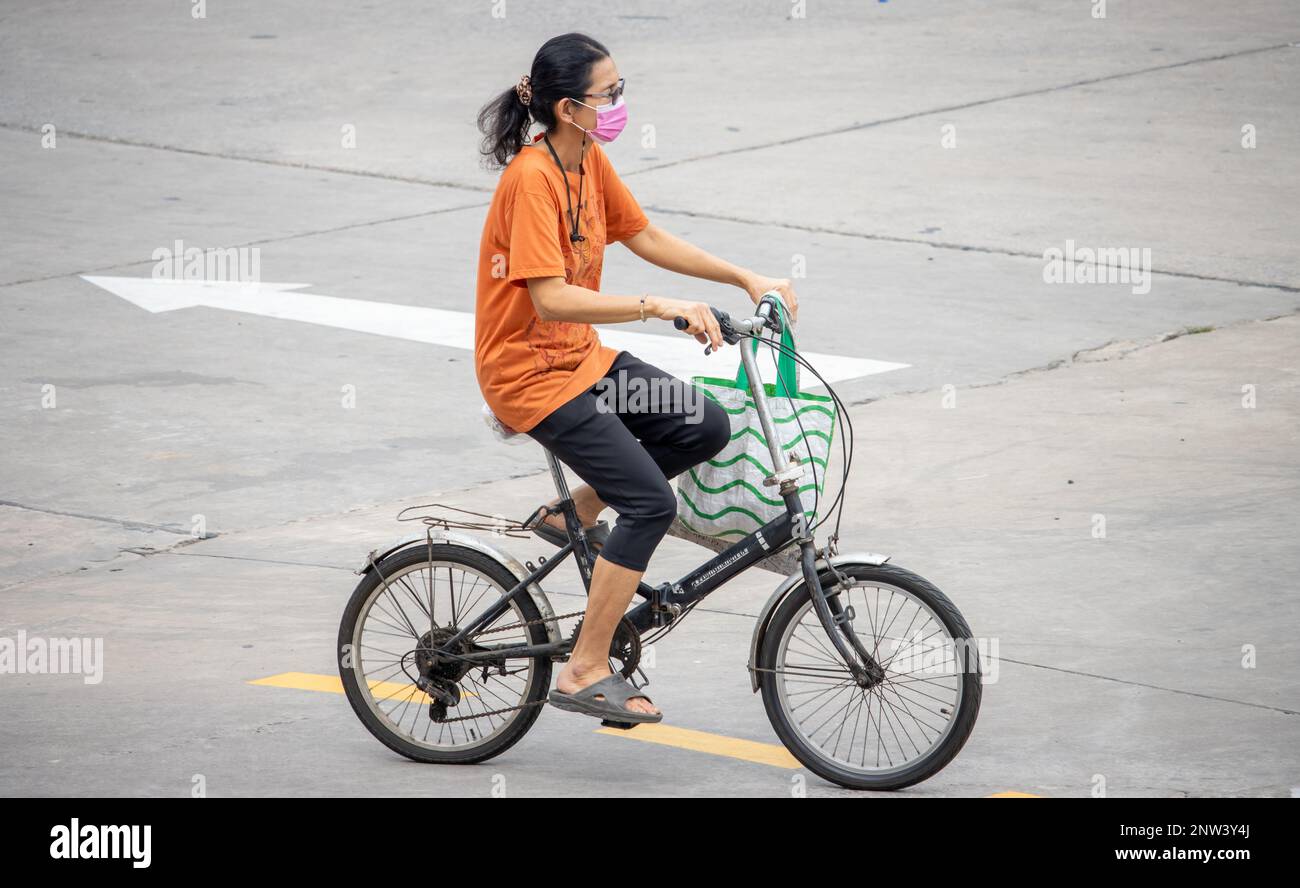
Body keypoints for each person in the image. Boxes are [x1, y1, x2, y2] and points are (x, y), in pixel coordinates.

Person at [474, 32, 799, 723]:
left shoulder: (586, 159)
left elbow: (642, 235)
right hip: (531, 377)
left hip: (580, 361)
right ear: (568, 107)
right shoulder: (531, 179)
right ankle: (584, 667)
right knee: (651, 502)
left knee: (701, 423)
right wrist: (658, 306)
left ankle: (577, 512)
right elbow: (550, 299)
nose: (620, 105)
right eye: (609, 95)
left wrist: (744, 276)